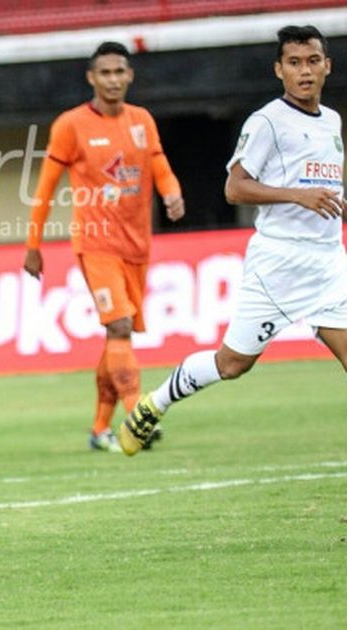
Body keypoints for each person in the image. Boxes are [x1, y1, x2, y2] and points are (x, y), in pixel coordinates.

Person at [120, 25, 346, 455]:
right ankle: (155, 403)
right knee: (232, 364)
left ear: (327, 66)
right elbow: (235, 188)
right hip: (278, 265)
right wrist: (297, 196)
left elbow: (320, 187)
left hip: (329, 264)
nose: (305, 71)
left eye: (313, 61)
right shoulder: (267, 122)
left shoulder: (331, 121)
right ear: (279, 70)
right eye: (294, 63)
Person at [23, 41, 185, 452]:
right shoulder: (71, 125)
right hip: (96, 242)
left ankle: (99, 429)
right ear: (91, 78)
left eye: (119, 72)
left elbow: (158, 162)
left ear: (129, 75)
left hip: (137, 244)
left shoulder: (141, 120)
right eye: (105, 73)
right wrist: (33, 244)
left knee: (118, 339)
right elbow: (45, 188)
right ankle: (137, 418)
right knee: (119, 326)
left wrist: (171, 192)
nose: (113, 80)